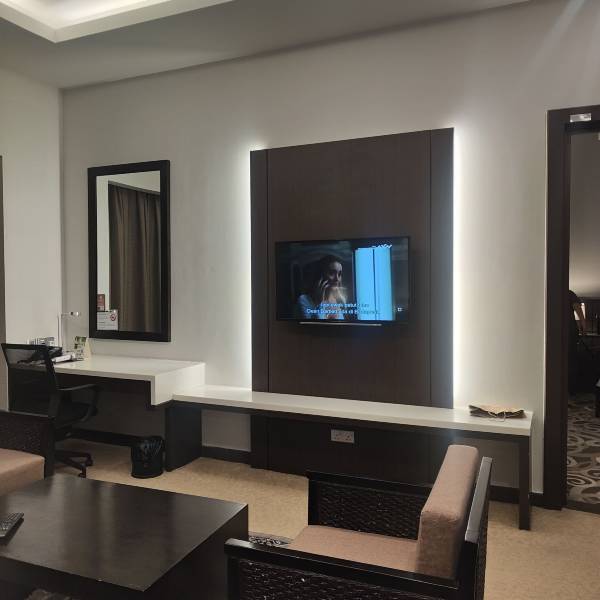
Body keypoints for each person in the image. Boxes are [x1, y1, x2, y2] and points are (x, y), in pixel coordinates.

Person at [296, 255, 348, 320]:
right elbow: (313, 326)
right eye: (332, 273)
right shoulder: (304, 300)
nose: (337, 279)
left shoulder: (340, 300)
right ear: (320, 275)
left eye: (339, 274)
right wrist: (320, 304)